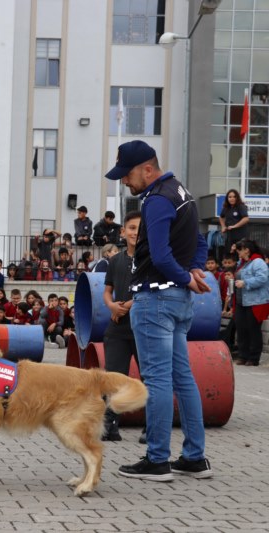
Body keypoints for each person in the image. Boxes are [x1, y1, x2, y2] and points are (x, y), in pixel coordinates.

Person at [105, 139, 213, 481]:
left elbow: (163, 256)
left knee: (156, 381)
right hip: (180, 301)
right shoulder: (182, 192)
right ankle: (194, 457)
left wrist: (187, 275)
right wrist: (194, 272)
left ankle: (157, 459)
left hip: (155, 299)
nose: (125, 181)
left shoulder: (154, 200)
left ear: (146, 169)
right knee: (183, 378)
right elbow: (199, 242)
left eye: (128, 174)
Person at [101, 210, 142, 441]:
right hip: (117, 328)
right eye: (132, 228)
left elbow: (149, 289)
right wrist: (112, 307)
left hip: (143, 328)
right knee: (114, 377)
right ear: (123, 231)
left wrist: (127, 304)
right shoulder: (115, 260)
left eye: (140, 228)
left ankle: (152, 427)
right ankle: (111, 426)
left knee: (149, 377)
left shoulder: (151, 258)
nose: (136, 232)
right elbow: (107, 291)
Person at [232, 239, 269, 366]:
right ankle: (243, 355)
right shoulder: (242, 263)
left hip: (256, 301)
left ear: (246, 250)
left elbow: (262, 278)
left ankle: (253, 358)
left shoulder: (258, 262)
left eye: (239, 250)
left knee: (253, 330)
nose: (238, 253)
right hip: (241, 301)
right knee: (241, 329)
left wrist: (246, 282)